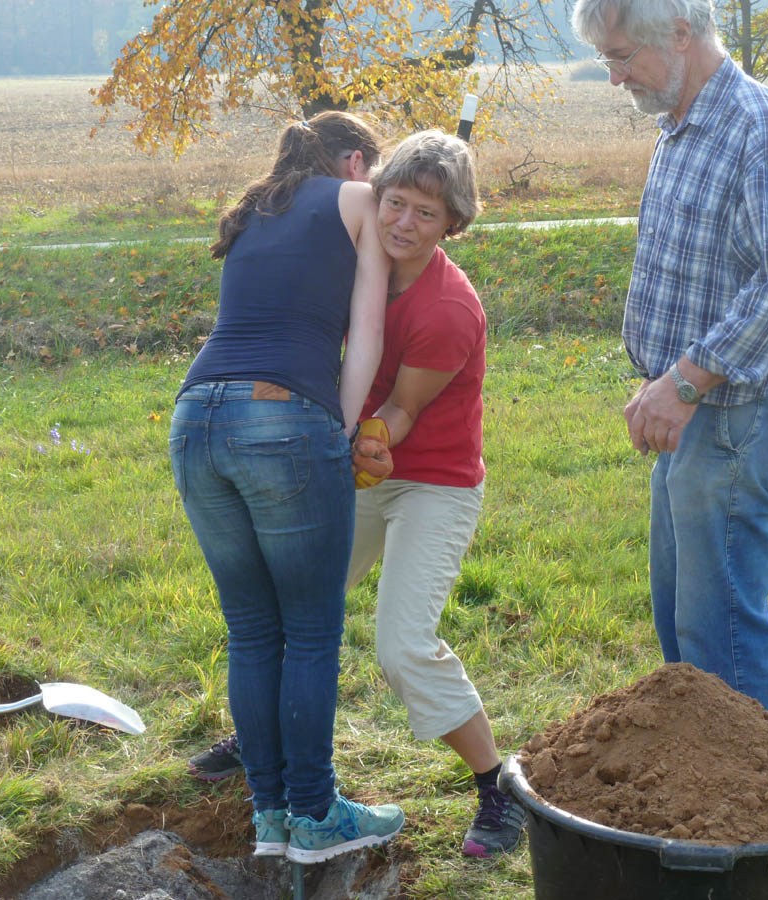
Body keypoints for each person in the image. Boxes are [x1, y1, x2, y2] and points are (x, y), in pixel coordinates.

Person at [190, 130, 528, 859]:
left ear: (453, 227)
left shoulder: (448, 310)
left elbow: (400, 414)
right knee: (289, 608)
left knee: (402, 646)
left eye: (426, 216)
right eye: (396, 203)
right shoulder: (352, 257)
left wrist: (362, 437)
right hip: (349, 460)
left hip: (426, 480)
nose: (403, 223)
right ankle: (265, 739)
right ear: (374, 194)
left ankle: (498, 787)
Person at [570, 0, 768, 717]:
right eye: (608, 60)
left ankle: (756, 818)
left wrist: (685, 380)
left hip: (741, 412)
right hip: (696, 410)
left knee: (720, 629)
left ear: (682, 35)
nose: (616, 77)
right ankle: (705, 798)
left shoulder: (763, 127)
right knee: (684, 622)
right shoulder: (679, 126)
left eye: (623, 57)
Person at [168, 111, 404, 865]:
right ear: (356, 163)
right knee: (309, 629)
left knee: (252, 629)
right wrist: (340, 428)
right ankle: (316, 814)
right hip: (281, 418)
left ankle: (270, 817)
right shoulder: (356, 199)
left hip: (194, 420)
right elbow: (364, 331)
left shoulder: (253, 207)